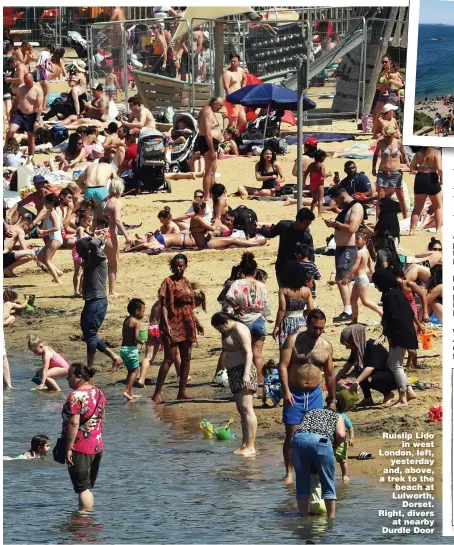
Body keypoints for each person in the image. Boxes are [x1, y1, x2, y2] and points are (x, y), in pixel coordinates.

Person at [279, 309, 336, 485]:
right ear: (307, 324)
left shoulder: (326, 346)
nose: (317, 332)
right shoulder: (293, 341)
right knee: (292, 434)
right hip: (294, 393)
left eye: (321, 328)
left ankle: (313, 470)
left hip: (314, 394)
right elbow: (282, 367)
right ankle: (289, 472)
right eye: (314, 328)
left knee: (316, 435)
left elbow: (330, 375)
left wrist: (332, 400)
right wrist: (286, 391)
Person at [152, 254, 203, 404]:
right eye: (177, 266)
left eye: (182, 265)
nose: (179, 268)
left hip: (187, 322)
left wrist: (197, 322)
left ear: (186, 266)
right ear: (173, 266)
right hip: (172, 322)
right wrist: (166, 324)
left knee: (186, 358)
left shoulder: (187, 281)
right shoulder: (168, 282)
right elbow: (164, 305)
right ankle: (157, 393)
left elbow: (189, 306)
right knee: (169, 358)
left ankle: (182, 392)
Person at [60, 363, 106, 511]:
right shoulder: (98, 393)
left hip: (80, 447)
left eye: (69, 376)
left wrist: (68, 448)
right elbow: (102, 419)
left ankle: (82, 524)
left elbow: (74, 423)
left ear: (79, 377)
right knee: (87, 487)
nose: (67, 379)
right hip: (97, 446)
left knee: (82, 488)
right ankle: (89, 520)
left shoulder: (76, 396)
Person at [371, 269, 420, 408]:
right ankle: (409, 391)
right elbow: (410, 313)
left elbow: (391, 317)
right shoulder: (398, 292)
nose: (375, 286)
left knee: (396, 365)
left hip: (400, 333)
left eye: (376, 283)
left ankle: (403, 398)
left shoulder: (389, 295)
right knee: (392, 363)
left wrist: (386, 334)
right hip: (406, 331)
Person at [211, 312, 257, 457]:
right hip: (233, 372)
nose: (220, 332)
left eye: (219, 329)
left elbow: (249, 352)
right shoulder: (229, 331)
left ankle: (251, 446)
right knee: (241, 410)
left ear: (225, 322)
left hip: (244, 370)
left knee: (247, 409)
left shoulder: (239, 329)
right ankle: (244, 444)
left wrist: (246, 374)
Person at [76, 231, 122, 368]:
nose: (77, 253)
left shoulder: (97, 256)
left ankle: (89, 368)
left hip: (97, 301)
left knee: (90, 334)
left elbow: (92, 243)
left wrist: (102, 237)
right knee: (87, 330)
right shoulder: (90, 259)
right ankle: (114, 357)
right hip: (91, 300)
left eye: (78, 250)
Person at [291, 405, 345, 518]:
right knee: (327, 481)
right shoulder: (337, 415)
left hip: (298, 440)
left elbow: (297, 430)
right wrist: (334, 449)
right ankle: (331, 520)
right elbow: (341, 435)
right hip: (321, 441)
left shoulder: (311, 412)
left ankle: (304, 518)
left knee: (301, 482)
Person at [225, 252, 271, 383]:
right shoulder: (261, 285)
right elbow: (266, 305)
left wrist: (236, 307)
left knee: (244, 353)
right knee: (257, 354)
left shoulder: (237, 283)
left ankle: (246, 383)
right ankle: (259, 383)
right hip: (258, 320)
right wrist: (266, 317)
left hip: (242, 322)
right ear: (255, 271)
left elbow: (228, 297)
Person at [324, 186, 366, 322]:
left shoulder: (356, 207)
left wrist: (334, 224)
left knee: (342, 279)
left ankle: (348, 311)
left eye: (337, 201)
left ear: (341, 197)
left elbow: (352, 228)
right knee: (343, 279)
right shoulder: (348, 208)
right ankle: (348, 309)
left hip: (348, 248)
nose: (337, 204)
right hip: (342, 248)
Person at [336, 324, 401, 407]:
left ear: (355, 339)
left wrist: (357, 381)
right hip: (376, 374)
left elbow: (370, 368)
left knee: (368, 377)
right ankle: (367, 398)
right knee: (358, 371)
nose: (347, 348)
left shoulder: (372, 345)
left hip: (389, 376)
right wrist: (334, 382)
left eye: (349, 344)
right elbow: (346, 367)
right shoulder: (357, 349)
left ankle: (388, 394)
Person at [259, 208, 315, 286]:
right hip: (282, 267)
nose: (307, 227)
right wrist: (260, 229)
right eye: (305, 224)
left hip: (298, 270)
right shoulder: (284, 225)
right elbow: (271, 233)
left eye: (309, 225)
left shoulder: (307, 237)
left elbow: (311, 255)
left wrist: (309, 270)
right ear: (298, 220)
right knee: (284, 294)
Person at [342, 227, 383, 324]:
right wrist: (376, 278)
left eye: (357, 238)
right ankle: (354, 320)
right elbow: (371, 267)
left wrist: (347, 276)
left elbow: (355, 266)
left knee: (365, 301)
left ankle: (383, 314)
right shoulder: (367, 252)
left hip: (361, 279)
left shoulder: (359, 252)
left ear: (365, 240)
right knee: (353, 300)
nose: (355, 240)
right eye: (355, 238)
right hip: (360, 279)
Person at [101, 177, 133, 296]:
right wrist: (127, 236)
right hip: (110, 234)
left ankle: (100, 288)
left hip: (100, 234)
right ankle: (112, 291)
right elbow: (118, 221)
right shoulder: (116, 202)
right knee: (113, 264)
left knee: (101, 263)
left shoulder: (104, 201)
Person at [189, 201, 266, 250]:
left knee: (228, 237)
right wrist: (216, 221)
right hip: (205, 244)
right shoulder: (198, 218)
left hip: (204, 242)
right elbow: (212, 228)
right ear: (202, 210)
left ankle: (248, 241)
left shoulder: (195, 218)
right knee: (232, 240)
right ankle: (255, 243)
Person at [272, 261, 313, 348]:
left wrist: (277, 326)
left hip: (287, 322)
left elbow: (282, 310)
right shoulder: (306, 291)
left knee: (286, 348)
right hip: (302, 321)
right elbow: (310, 309)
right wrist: (304, 313)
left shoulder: (284, 290)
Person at [372, 124, 410, 218]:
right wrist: (373, 167)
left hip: (395, 172)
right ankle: (378, 220)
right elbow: (376, 155)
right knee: (380, 197)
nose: (387, 138)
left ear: (393, 135)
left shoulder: (398, 142)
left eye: (389, 136)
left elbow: (404, 154)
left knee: (400, 196)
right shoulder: (381, 142)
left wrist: (408, 164)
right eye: (386, 136)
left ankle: (405, 218)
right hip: (383, 171)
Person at [114, 298, 146, 400]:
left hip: (123, 349)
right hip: (131, 350)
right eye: (143, 311)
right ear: (137, 312)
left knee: (130, 371)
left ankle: (129, 392)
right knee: (135, 370)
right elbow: (136, 338)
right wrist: (142, 342)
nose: (143, 314)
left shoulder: (126, 320)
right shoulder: (136, 322)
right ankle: (127, 391)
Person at [5, 73, 44, 157]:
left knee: (31, 138)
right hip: (20, 114)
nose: (28, 84)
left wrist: (37, 120)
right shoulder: (21, 88)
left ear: (33, 79)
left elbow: (40, 107)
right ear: (24, 81)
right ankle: (6, 150)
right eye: (26, 82)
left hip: (32, 116)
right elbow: (16, 101)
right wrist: (11, 112)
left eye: (30, 82)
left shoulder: (38, 90)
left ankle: (31, 157)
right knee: (11, 130)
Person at [409, 147, 442, 236]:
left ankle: (412, 230)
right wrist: (442, 177)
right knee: (438, 207)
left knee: (417, 208)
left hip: (420, 177)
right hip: (431, 177)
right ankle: (438, 230)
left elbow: (412, 166)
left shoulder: (419, 153)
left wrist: (419, 169)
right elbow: (439, 168)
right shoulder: (436, 153)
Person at [197, 97, 224, 200]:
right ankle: (207, 196)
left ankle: (212, 194)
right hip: (208, 142)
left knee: (213, 169)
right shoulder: (207, 112)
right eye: (220, 105)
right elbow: (208, 133)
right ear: (214, 103)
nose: (221, 107)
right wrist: (212, 150)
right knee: (209, 171)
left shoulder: (208, 111)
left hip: (210, 141)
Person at [35, 194, 64, 284]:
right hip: (55, 239)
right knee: (39, 257)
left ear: (51, 203)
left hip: (55, 239)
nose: (45, 204)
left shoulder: (52, 213)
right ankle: (58, 272)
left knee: (47, 261)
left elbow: (56, 227)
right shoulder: (52, 212)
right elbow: (61, 227)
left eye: (46, 202)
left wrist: (44, 232)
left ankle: (57, 280)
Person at [373, 55, 403, 136]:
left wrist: (390, 81)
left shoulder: (394, 72)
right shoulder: (382, 72)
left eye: (385, 62)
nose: (384, 63)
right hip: (382, 94)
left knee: (389, 116)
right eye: (382, 62)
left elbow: (400, 85)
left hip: (392, 95)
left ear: (390, 61)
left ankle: (394, 133)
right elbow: (377, 86)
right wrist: (382, 84)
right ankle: (376, 133)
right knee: (376, 114)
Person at [222, 53, 247, 129]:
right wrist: (231, 99)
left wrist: (243, 88)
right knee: (233, 122)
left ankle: (234, 133)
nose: (232, 63)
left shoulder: (241, 70)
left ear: (238, 61)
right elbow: (226, 87)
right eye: (231, 61)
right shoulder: (227, 73)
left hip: (239, 99)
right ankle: (230, 137)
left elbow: (245, 78)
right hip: (232, 100)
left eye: (234, 61)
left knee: (243, 120)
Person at [334, 393, 354, 483]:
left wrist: (352, 438)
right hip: (331, 441)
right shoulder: (329, 414)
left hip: (341, 442)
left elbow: (350, 427)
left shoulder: (343, 416)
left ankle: (345, 475)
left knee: (342, 460)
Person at [72, 211, 93, 296]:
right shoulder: (80, 228)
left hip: (81, 250)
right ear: (82, 220)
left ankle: (79, 290)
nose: (89, 223)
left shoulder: (83, 228)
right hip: (79, 251)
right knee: (80, 271)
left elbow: (91, 234)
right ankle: (78, 291)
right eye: (88, 221)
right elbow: (81, 240)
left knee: (83, 272)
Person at [304, 149, 327, 216]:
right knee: (320, 199)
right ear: (322, 158)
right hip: (319, 183)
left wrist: (303, 183)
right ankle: (319, 214)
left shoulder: (311, 165)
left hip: (312, 184)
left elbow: (305, 174)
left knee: (314, 199)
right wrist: (328, 174)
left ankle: (311, 211)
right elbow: (323, 175)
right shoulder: (321, 166)